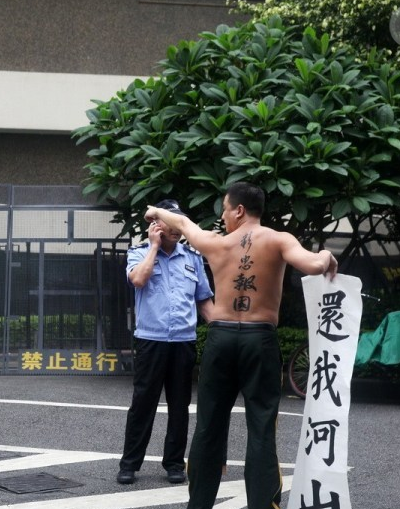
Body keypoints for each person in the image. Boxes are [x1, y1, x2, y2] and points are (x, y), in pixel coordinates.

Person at [144, 182, 337, 509]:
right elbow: (314, 266)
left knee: (208, 426)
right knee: (261, 426)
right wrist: (327, 256)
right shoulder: (279, 239)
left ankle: (199, 505)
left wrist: (155, 211)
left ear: (239, 209)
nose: (223, 216)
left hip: (220, 339)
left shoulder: (216, 243)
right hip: (259, 340)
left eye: (224, 208)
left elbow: (183, 224)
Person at [117, 199, 214, 486]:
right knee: (143, 404)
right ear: (157, 225)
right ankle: (129, 464)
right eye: (171, 222)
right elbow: (138, 280)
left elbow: (204, 301)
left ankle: (174, 464)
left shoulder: (193, 257)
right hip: (151, 341)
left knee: (180, 405)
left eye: (179, 222)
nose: (177, 228)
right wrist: (154, 248)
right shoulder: (139, 253)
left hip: (183, 342)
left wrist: (224, 329)